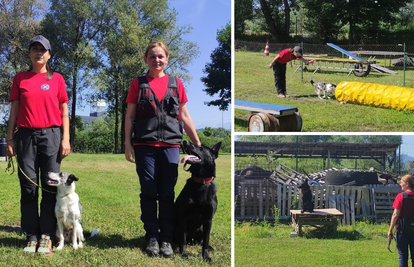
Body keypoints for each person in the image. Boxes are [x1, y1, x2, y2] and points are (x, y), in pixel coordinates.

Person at [124, 41, 201, 258]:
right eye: (152, 56)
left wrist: (197, 144)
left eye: (160, 56)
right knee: (149, 192)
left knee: (167, 194)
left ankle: (166, 239)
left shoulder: (176, 84)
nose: (156, 60)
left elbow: (184, 116)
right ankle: (152, 237)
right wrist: (127, 144)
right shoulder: (137, 84)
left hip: (170, 147)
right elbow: (130, 116)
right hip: (144, 146)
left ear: (167, 59)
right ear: (146, 59)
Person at [6, 35, 70, 256]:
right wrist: (10, 138)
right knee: (28, 187)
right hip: (25, 136)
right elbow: (14, 110)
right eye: (34, 49)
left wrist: (66, 138)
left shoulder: (58, 79)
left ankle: (46, 235)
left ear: (49, 54)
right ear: (30, 53)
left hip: (52, 135)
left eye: (43, 50)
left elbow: (64, 111)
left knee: (50, 186)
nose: (38, 53)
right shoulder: (20, 78)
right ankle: (31, 235)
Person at [388, 174, 414, 267]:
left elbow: (395, 214)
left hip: (403, 230)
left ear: (407, 184)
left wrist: (390, 230)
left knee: (403, 256)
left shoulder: (401, 196)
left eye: (401, 182)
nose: (400, 184)